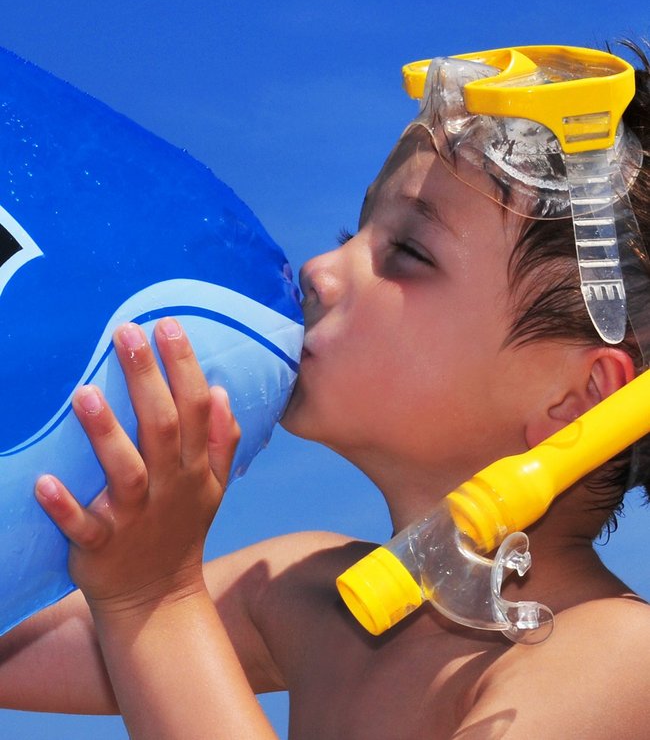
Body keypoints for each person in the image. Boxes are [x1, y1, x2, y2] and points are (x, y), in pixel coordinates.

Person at [1, 44, 649, 739]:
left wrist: (154, 600)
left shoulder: (613, 657)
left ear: (575, 398)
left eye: (407, 254)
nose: (319, 268)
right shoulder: (302, 590)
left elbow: (140, 614)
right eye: (355, 228)